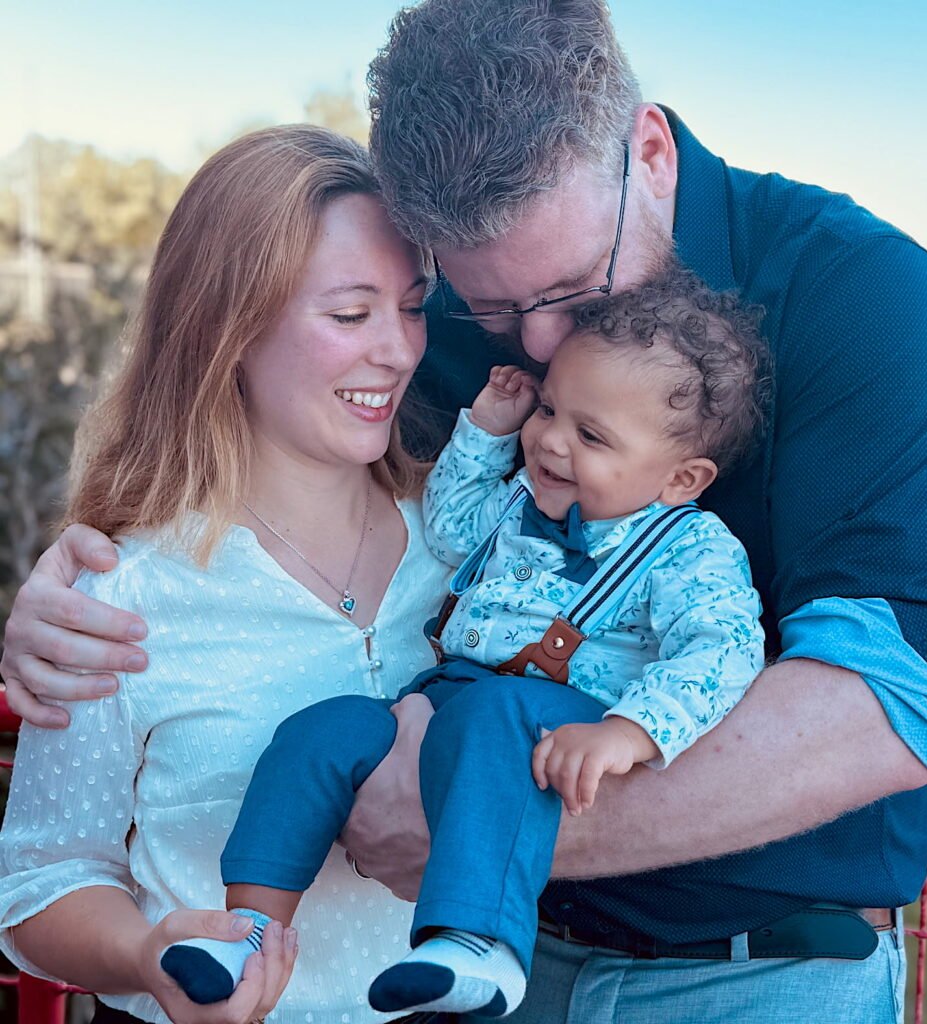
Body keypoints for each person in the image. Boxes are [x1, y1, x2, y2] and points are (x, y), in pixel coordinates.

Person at [3, 1, 927, 1022]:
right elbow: (268, 465)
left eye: (572, 288)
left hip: (752, 972)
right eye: (490, 308)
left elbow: (890, 695)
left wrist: (473, 826)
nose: (544, 343)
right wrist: (67, 589)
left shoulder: (854, 286)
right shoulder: (442, 325)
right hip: (475, 981)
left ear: (646, 150)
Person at [159, 269, 768, 1017]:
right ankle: (248, 928)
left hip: (546, 722)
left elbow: (724, 650)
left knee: (493, 719)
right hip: (441, 705)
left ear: (681, 477)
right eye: (549, 409)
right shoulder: (519, 498)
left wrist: (630, 730)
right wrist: (485, 431)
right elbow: (449, 527)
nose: (548, 440)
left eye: (591, 435)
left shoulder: (685, 549)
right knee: (324, 728)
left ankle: (481, 943)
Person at [0, 124, 453, 1024]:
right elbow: (42, 882)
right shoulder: (122, 593)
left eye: (412, 306)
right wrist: (145, 953)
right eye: (351, 313)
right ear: (228, 326)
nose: (400, 350)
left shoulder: (470, 547)